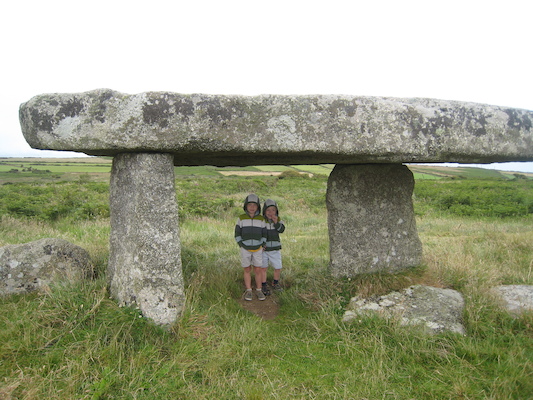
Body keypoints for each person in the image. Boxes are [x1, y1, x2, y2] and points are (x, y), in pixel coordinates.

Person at [234, 193, 267, 301]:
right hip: (245, 248)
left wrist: (262, 244)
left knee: (257, 269)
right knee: (247, 269)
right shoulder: (241, 218)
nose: (252, 207)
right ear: (245, 206)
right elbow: (237, 233)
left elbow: (264, 233)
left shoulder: (261, 219)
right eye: (249, 205)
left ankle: (259, 290)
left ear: (258, 206)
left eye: (254, 205)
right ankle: (248, 290)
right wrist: (241, 244)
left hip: (258, 249)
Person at [261, 199, 285, 294]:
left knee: (277, 267)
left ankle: (275, 283)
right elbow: (260, 233)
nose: (271, 213)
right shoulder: (262, 222)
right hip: (264, 249)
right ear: (264, 212)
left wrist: (276, 223)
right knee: (263, 267)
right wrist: (261, 245)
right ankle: (263, 284)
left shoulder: (278, 220)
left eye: (273, 210)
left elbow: (281, 230)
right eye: (268, 210)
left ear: (276, 211)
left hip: (275, 249)